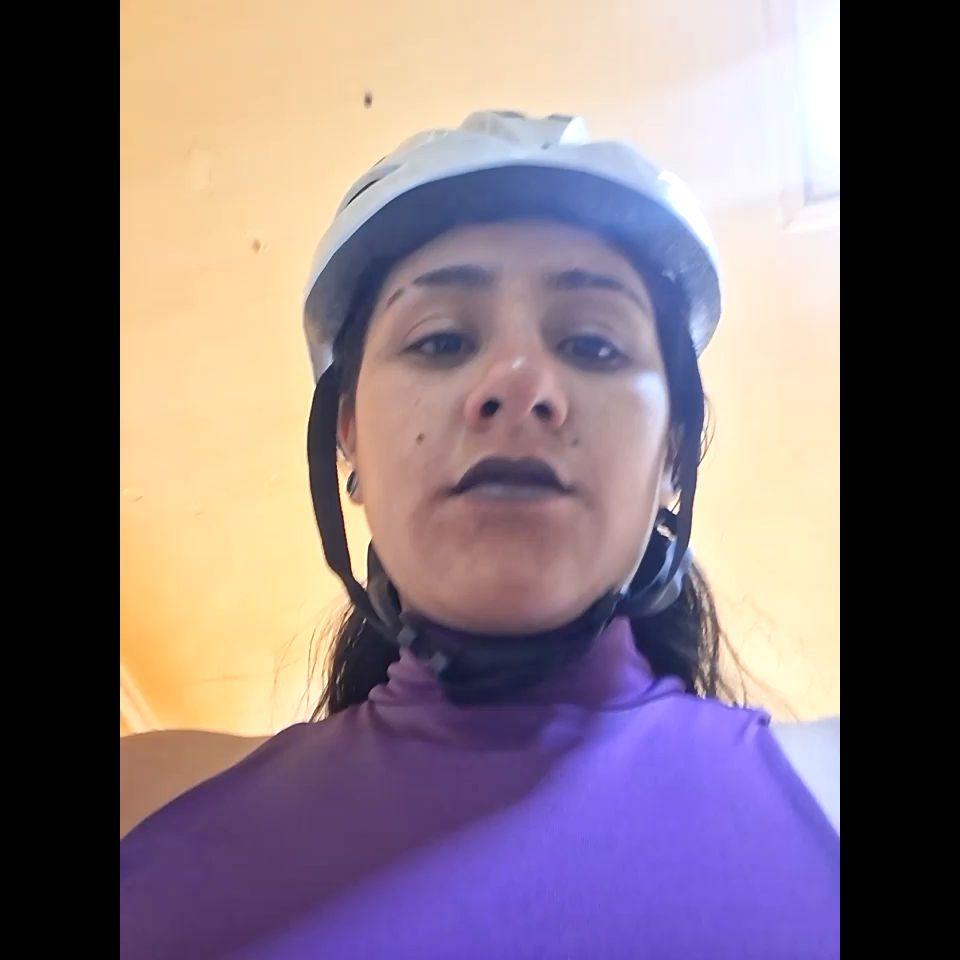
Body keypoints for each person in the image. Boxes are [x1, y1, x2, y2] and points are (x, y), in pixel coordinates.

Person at [120, 111, 839, 959]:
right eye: (442, 340)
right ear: (349, 436)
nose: (519, 383)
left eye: (592, 344)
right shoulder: (140, 804)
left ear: (674, 452)